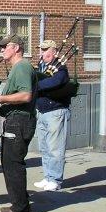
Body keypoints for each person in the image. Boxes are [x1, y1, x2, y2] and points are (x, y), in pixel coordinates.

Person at [0, 35, 37, 212]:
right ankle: (18, 204)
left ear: (16, 48)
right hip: (15, 119)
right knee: (9, 163)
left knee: (13, 164)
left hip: (19, 121)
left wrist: (1, 98)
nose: (1, 50)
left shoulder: (22, 66)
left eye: (4, 47)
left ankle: (20, 209)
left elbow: (25, 95)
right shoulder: (18, 67)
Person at [34, 39, 71, 192]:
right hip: (42, 111)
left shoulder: (60, 68)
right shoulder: (41, 67)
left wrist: (35, 85)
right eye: (41, 50)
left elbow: (54, 82)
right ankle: (48, 176)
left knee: (55, 148)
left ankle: (55, 179)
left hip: (56, 111)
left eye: (45, 50)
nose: (42, 53)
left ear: (54, 52)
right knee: (44, 147)